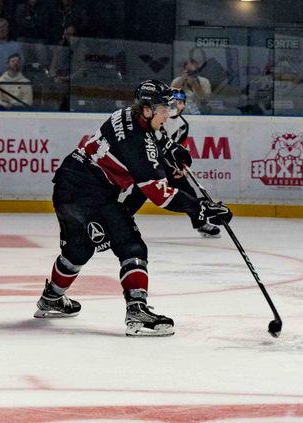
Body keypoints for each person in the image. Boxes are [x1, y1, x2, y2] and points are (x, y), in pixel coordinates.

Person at [33, 80, 233, 335]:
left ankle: (51, 298)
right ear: (148, 110)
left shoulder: (127, 114)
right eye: (163, 108)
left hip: (67, 182)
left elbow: (155, 138)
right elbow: (159, 194)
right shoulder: (137, 143)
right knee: (131, 244)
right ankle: (137, 311)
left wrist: (172, 149)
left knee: (78, 249)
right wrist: (201, 208)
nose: (168, 113)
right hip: (90, 192)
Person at [119, 88, 221, 238]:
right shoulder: (158, 116)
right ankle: (120, 221)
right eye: (175, 102)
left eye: (181, 103)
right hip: (151, 162)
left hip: (169, 165)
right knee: (139, 192)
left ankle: (200, 223)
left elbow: (180, 147)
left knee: (187, 190)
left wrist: (182, 166)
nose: (178, 105)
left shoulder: (182, 124)